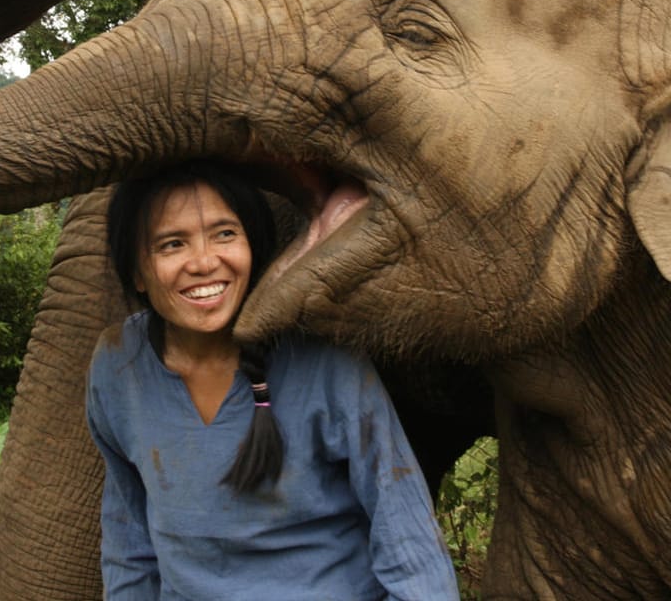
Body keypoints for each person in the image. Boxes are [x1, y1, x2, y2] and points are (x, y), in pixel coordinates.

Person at [85, 160, 460, 600]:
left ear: (255, 246)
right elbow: (129, 543)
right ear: (136, 273)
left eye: (225, 234)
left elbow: (406, 537)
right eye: (172, 244)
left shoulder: (323, 360)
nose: (205, 263)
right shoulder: (118, 367)